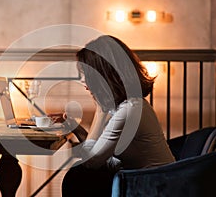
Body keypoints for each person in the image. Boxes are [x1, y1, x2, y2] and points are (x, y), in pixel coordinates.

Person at [61, 35, 175, 197]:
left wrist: (99, 114)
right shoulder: (127, 105)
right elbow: (103, 157)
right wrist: (76, 129)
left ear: (102, 74)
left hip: (155, 186)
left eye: (85, 73)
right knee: (81, 175)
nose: (82, 80)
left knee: (81, 175)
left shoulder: (129, 109)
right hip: (141, 180)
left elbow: (93, 162)